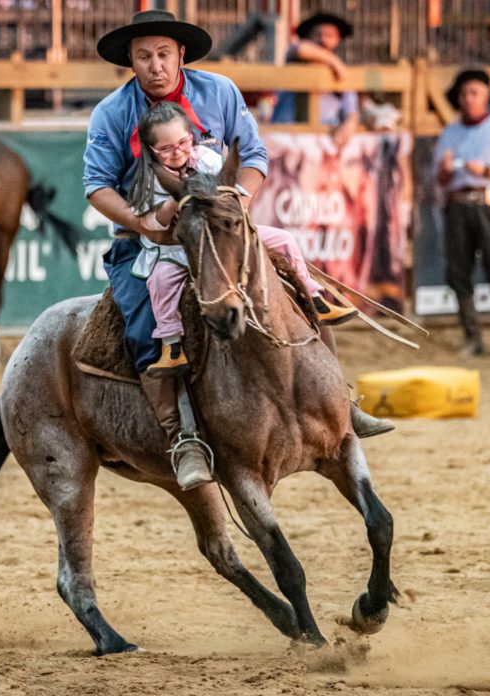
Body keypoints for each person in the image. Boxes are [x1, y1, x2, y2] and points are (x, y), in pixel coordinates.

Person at [83, 10, 391, 491]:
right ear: (131, 62)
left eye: (164, 54)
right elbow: (98, 186)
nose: (155, 66)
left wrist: (238, 203)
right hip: (150, 240)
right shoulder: (111, 112)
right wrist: (143, 221)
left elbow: (254, 156)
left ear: (181, 54)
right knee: (145, 329)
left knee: (296, 295)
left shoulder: (220, 93)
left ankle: (341, 402)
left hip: (225, 233)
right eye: (143, 57)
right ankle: (182, 436)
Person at [127, 101, 357, 377]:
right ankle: (171, 342)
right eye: (165, 149)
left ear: (191, 136)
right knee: (160, 280)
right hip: (179, 248)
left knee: (284, 240)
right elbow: (152, 222)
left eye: (182, 142)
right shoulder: (151, 179)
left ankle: (314, 296)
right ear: (151, 150)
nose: (177, 152)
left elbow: (228, 193)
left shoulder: (208, 160)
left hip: (223, 237)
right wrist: (174, 204)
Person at [433, 68, 490, 359]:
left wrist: (485, 170)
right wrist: (445, 172)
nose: (468, 98)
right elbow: (440, 178)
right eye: (463, 93)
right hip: (458, 205)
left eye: (474, 92)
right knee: (458, 272)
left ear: (486, 96)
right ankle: (472, 338)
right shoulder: (450, 132)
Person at [271, 12, 359, 146]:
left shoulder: (339, 72)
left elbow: (351, 109)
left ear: (337, 40)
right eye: (318, 34)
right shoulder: (295, 58)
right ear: (308, 37)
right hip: (285, 135)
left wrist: (349, 124)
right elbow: (302, 50)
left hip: (321, 138)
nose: (323, 40)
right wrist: (333, 60)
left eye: (329, 35)